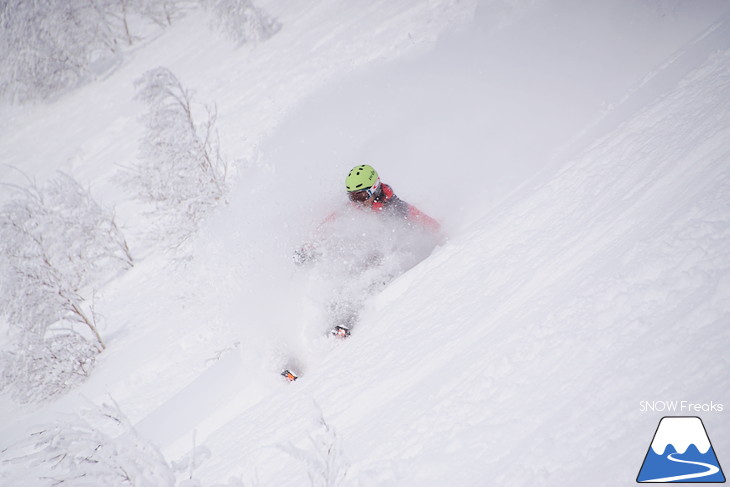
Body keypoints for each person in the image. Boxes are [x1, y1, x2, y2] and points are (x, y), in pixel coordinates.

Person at [295, 165, 441, 265]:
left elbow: (429, 224)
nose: (358, 202)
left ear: (375, 189)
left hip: (390, 259)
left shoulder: (397, 209)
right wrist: (308, 248)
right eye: (353, 197)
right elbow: (329, 224)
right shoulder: (354, 208)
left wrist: (443, 239)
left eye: (361, 196)